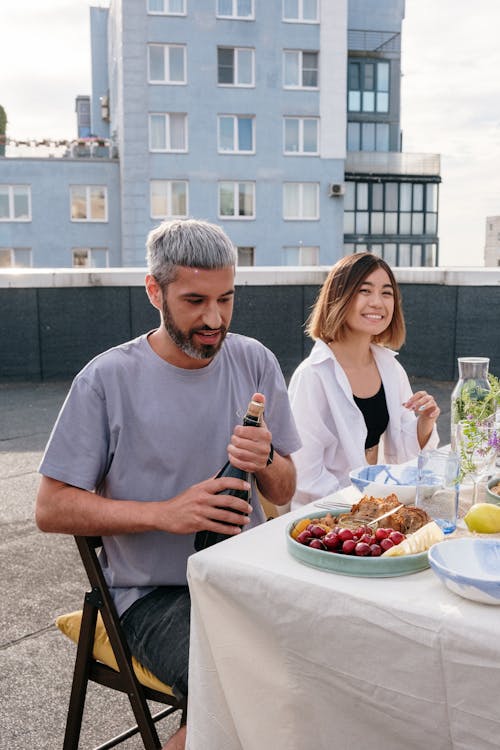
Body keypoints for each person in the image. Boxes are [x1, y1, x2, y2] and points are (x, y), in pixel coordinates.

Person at [35, 218, 300, 750]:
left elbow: (285, 490)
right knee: (242, 685)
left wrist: (266, 456)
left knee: (337, 655)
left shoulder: (255, 360)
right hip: (154, 594)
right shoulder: (107, 379)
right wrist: (165, 513)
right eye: (195, 300)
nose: (214, 318)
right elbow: (50, 508)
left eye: (226, 299)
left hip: (245, 578)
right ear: (154, 290)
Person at [288, 252, 440, 508]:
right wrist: (362, 508)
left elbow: (404, 455)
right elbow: (306, 477)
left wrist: (425, 422)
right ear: (339, 297)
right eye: (365, 291)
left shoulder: (390, 367)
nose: (377, 303)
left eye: (386, 293)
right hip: (327, 516)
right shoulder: (313, 375)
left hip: (373, 506)